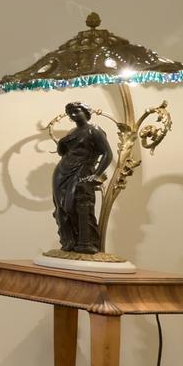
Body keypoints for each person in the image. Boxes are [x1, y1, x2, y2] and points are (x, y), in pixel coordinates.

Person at [51, 101, 113, 255]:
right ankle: (69, 241)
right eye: (70, 112)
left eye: (76, 111)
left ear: (85, 112)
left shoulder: (94, 130)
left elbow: (107, 153)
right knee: (61, 208)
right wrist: (61, 143)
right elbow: (62, 152)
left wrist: (96, 174)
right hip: (62, 172)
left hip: (82, 170)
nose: (73, 114)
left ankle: (87, 242)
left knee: (75, 205)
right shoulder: (72, 132)